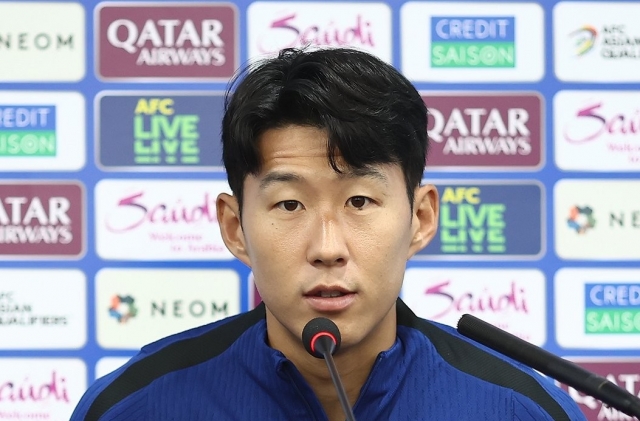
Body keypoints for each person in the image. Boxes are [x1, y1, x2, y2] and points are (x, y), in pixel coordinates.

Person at [71, 47, 585, 421]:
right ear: (235, 227)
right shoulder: (134, 406)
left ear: (421, 218)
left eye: (359, 201)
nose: (327, 248)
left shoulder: (521, 409)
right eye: (289, 204)